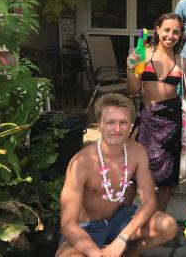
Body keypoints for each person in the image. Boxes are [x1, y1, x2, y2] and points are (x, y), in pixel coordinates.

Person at [56, 93, 177, 257]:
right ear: (99, 124)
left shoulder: (137, 151)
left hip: (119, 220)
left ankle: (130, 253)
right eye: (110, 122)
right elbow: (68, 225)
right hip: (86, 228)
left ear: (130, 125)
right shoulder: (81, 163)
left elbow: (149, 203)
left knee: (168, 225)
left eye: (123, 123)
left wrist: (122, 238)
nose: (117, 129)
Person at [126, 13, 186, 211]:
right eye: (166, 30)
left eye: (176, 32)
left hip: (172, 122)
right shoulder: (143, 54)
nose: (170, 35)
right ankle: (120, 220)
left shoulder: (182, 62)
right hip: (148, 119)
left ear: (181, 35)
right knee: (135, 176)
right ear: (157, 30)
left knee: (167, 179)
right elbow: (133, 90)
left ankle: (157, 220)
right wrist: (130, 69)